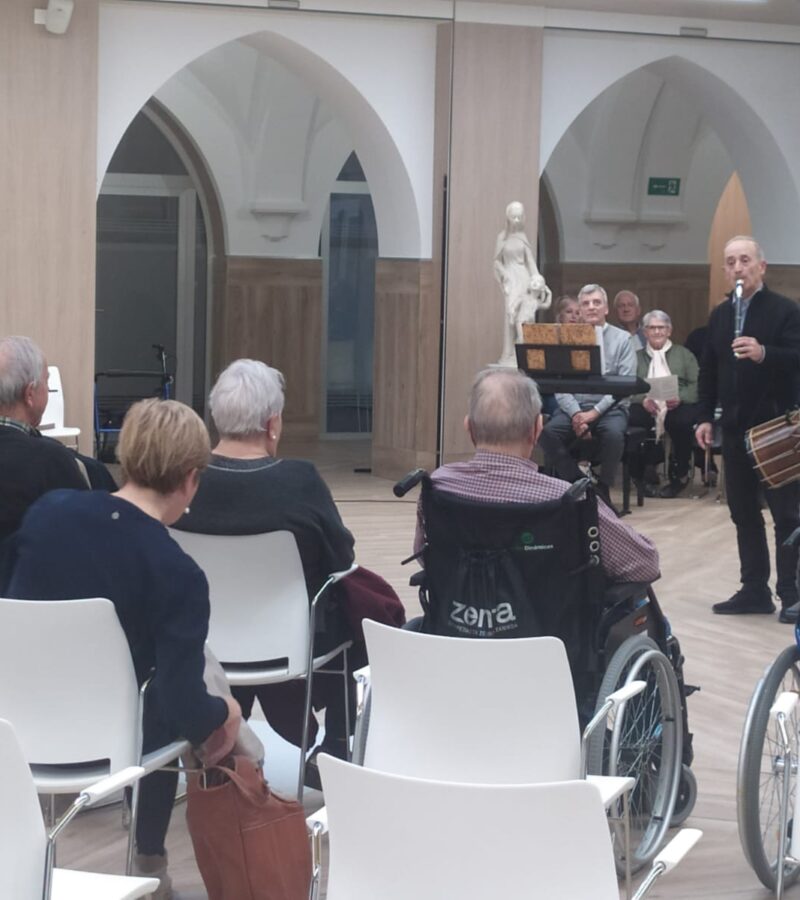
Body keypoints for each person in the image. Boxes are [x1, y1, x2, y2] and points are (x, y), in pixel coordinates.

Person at [2, 399, 240, 899]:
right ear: (192, 479)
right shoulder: (179, 573)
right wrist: (228, 714)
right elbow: (183, 706)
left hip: (19, 724)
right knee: (165, 692)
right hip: (117, 746)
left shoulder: (47, 514)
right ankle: (149, 858)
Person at [173, 359, 392, 788]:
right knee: (358, 598)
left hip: (201, 642)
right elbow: (340, 556)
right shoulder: (300, 480)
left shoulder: (185, 480)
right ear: (273, 424)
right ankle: (337, 741)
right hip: (291, 642)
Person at [415, 368, 659, 583]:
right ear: (537, 429)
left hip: (459, 625)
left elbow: (426, 555)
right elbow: (645, 564)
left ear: (469, 428)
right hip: (551, 631)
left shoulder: (438, 484)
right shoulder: (568, 499)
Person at [696, 235, 800, 623]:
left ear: (762, 267)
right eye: (731, 262)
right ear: (725, 270)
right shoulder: (722, 315)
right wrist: (705, 416)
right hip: (735, 428)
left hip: (777, 430)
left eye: (744, 260)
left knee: (787, 515)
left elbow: (797, 357)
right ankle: (754, 589)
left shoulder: (785, 311)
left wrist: (765, 353)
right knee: (743, 512)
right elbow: (709, 368)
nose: (738, 268)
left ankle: (792, 592)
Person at [539, 284, 636, 504]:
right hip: (574, 407)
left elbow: (625, 386)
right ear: (580, 310)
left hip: (610, 409)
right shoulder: (566, 338)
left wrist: (593, 413)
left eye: (596, 303)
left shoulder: (623, 339)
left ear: (606, 309)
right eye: (585, 303)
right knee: (547, 433)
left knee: (613, 435)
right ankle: (577, 480)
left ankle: (603, 487)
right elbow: (560, 384)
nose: (591, 308)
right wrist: (576, 414)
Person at [0, 336, 87, 561]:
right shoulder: (52, 461)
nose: (48, 389)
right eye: (46, 382)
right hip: (29, 591)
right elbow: (89, 535)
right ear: (30, 394)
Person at [628, 310, 700, 498]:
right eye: (652, 328)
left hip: (676, 403)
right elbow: (626, 386)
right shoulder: (635, 357)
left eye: (661, 328)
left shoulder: (684, 354)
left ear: (669, 331)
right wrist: (643, 399)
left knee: (680, 422)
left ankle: (680, 474)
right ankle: (642, 474)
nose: (657, 332)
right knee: (633, 419)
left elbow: (697, 384)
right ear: (645, 332)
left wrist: (680, 397)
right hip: (646, 403)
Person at [494, 201, 552, 365]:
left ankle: (521, 352)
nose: (517, 220)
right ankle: (508, 353)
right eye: (514, 217)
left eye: (520, 217)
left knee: (525, 314)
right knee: (511, 314)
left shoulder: (523, 238)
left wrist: (539, 280)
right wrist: (504, 275)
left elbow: (530, 262)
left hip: (524, 278)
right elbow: (497, 262)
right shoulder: (502, 238)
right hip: (510, 279)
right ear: (508, 218)